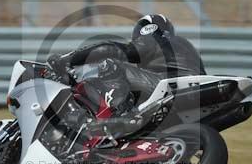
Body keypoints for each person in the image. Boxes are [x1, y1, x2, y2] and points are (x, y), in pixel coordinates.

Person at [47, 14, 205, 140]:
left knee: (110, 65)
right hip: (193, 96)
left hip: (171, 87)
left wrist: (69, 60)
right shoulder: (184, 46)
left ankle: (119, 116)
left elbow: (116, 50)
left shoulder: (156, 39)